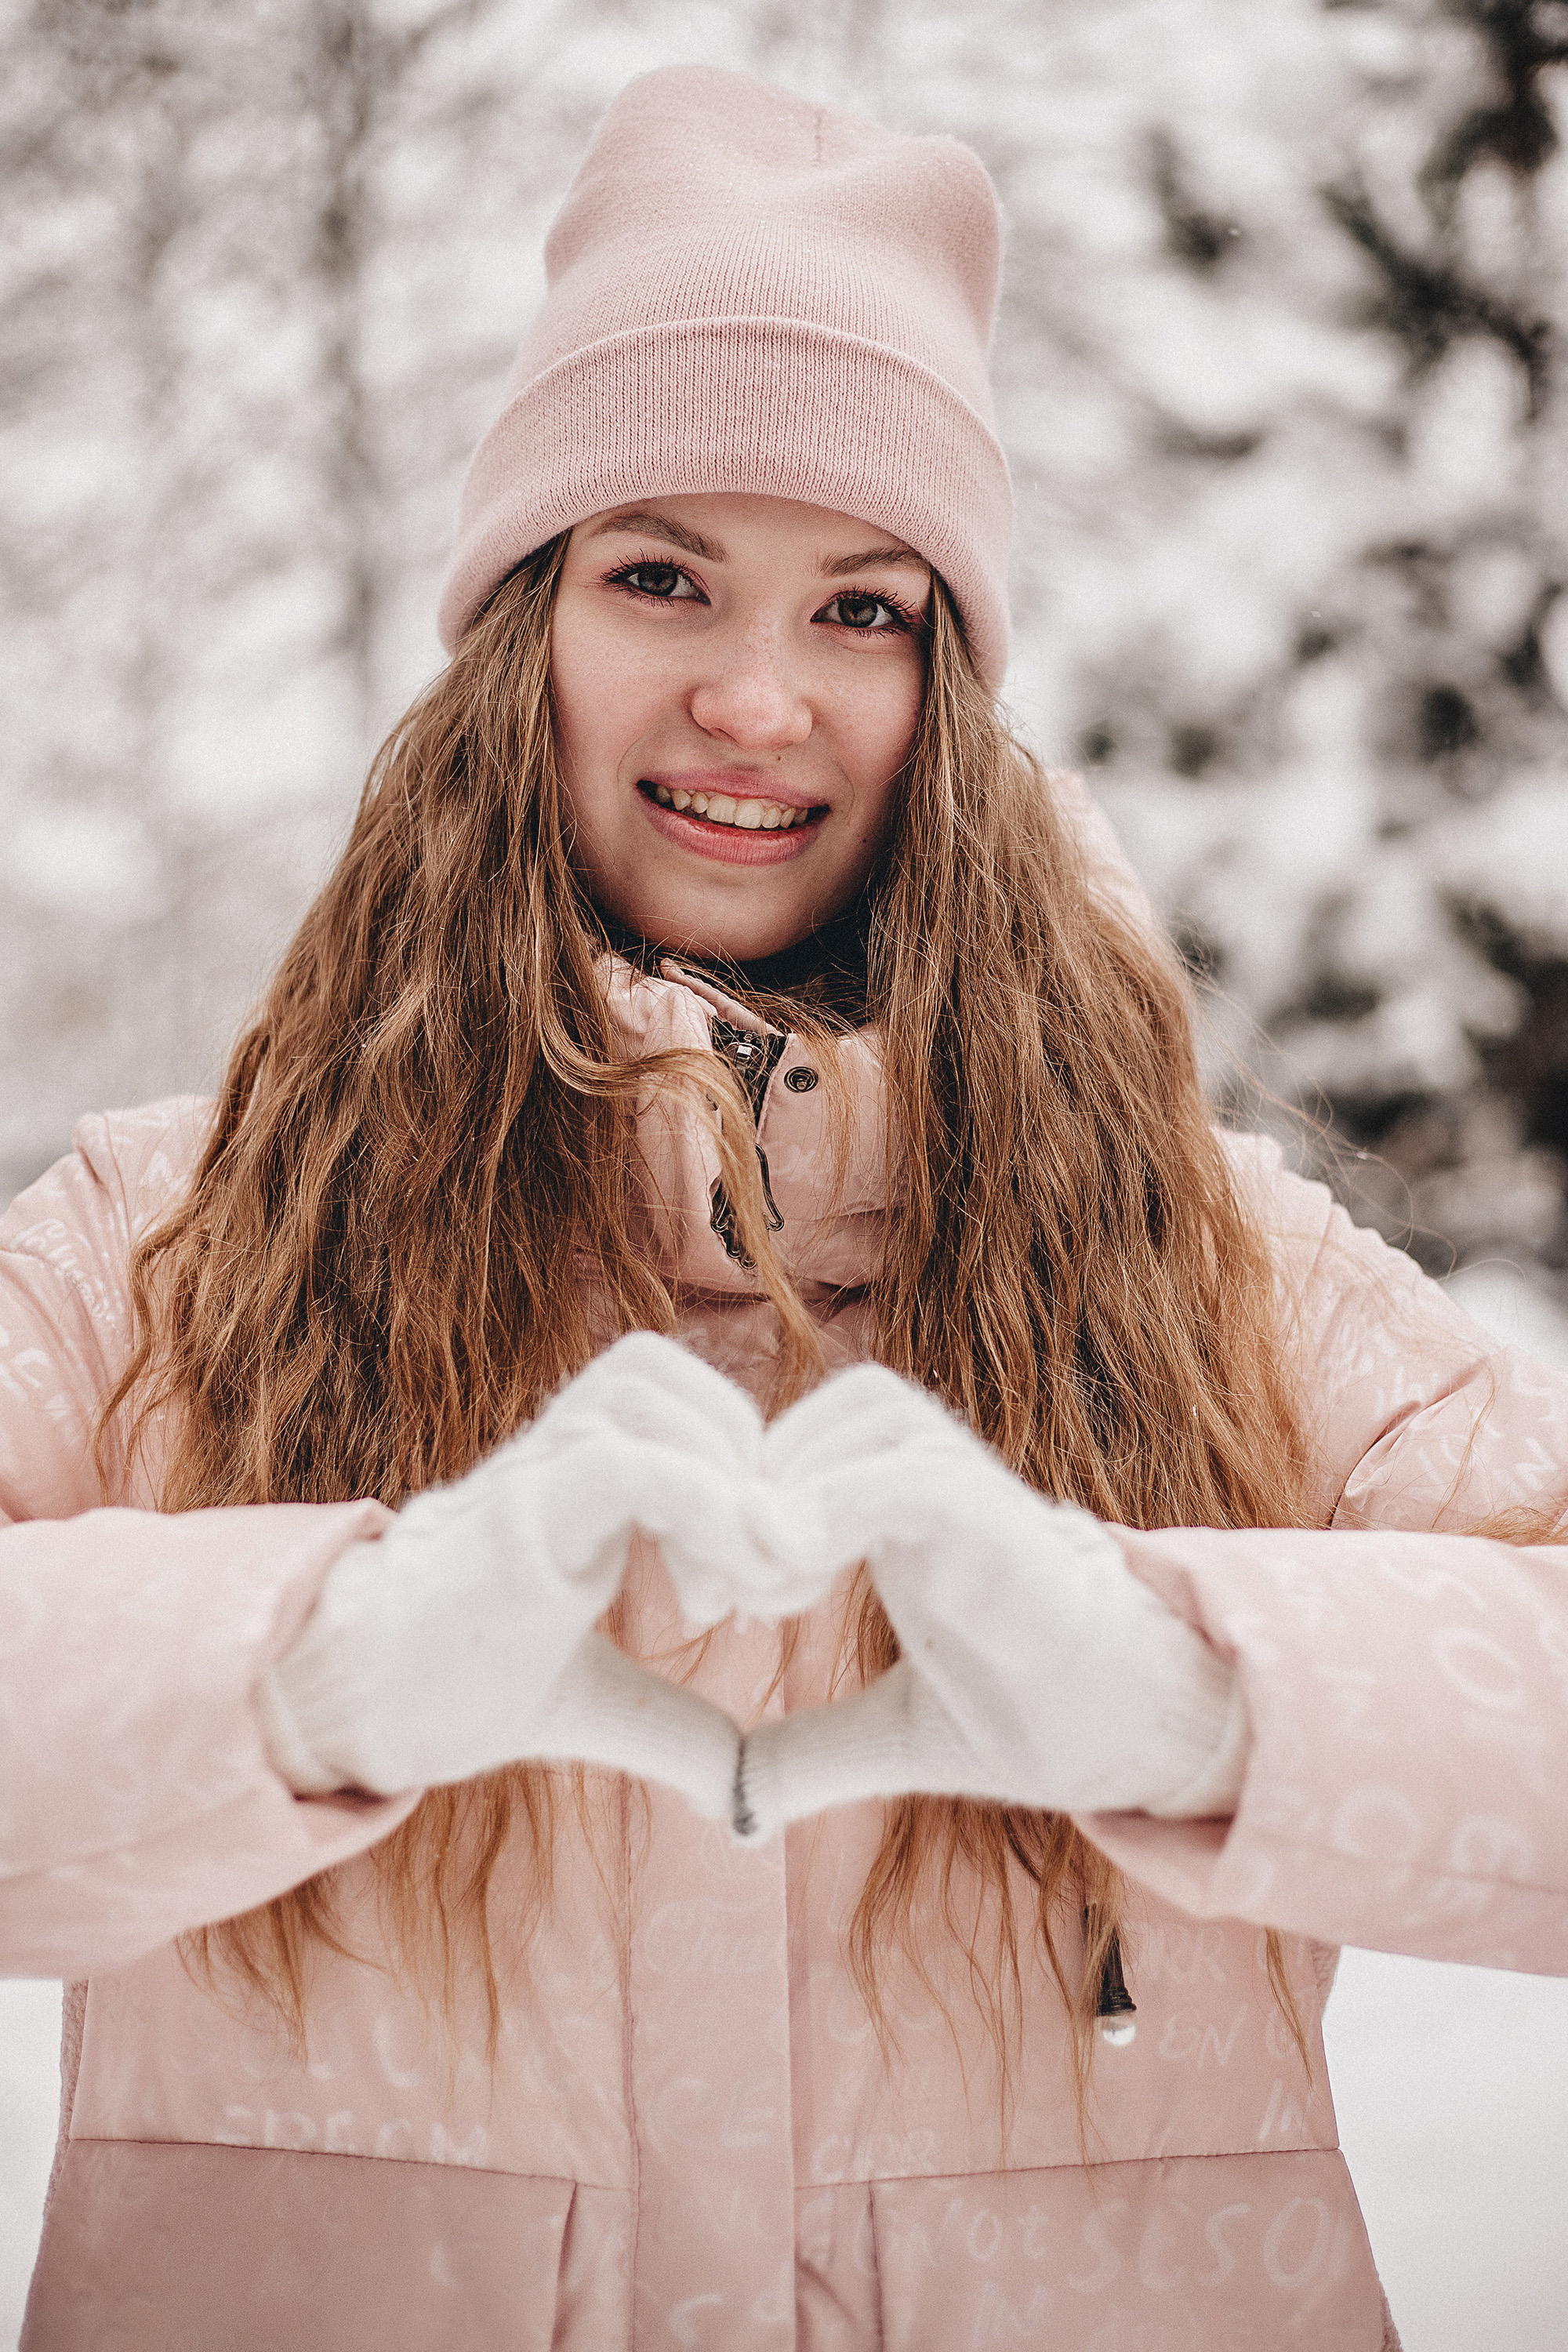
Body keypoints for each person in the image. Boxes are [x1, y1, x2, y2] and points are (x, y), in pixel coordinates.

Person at [4, 64, 1565, 2352]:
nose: (761, 697)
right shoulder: (166, 1247)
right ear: (517, 631)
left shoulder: (1224, 1275)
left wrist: (1201, 1700)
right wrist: (304, 1668)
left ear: (953, 685)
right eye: (661, 577)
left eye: (865, 609)